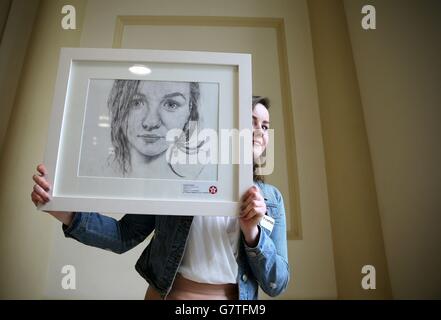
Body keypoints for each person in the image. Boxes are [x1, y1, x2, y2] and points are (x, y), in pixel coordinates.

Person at [31, 96, 290, 300]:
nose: (260, 131)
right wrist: (64, 211)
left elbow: (277, 283)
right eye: (251, 120)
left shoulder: (272, 200)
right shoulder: (177, 180)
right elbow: (123, 235)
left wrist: (252, 234)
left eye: (265, 126)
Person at [105, 79, 206, 179]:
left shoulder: (198, 177)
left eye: (171, 104)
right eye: (136, 103)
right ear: (118, 107)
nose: (151, 122)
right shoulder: (101, 171)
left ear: (190, 110)